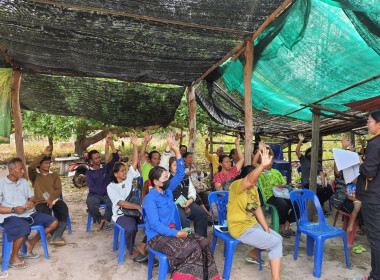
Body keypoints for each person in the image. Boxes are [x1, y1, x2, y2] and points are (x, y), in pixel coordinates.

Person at [143, 136, 220, 280]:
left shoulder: (167, 190)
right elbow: (155, 225)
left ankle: (210, 277)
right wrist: (177, 234)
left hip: (173, 231)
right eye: (164, 178)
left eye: (167, 177)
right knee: (193, 249)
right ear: (155, 182)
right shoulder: (150, 199)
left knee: (203, 242)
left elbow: (179, 173)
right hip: (158, 237)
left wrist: (176, 150)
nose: (168, 180)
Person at [227, 147, 282, 280]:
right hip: (239, 228)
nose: (254, 184)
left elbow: (257, 209)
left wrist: (266, 228)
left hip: (252, 225)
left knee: (278, 238)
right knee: (275, 243)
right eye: (253, 181)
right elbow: (249, 181)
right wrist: (262, 165)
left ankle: (253, 253)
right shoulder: (236, 186)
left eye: (256, 182)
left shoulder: (254, 188)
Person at [0, 158, 58, 269]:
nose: (23, 171)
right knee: (23, 226)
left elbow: (31, 196)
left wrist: (31, 201)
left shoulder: (24, 182)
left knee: (53, 222)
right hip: (10, 216)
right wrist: (13, 209)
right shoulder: (1, 184)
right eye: (21, 169)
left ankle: (31, 242)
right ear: (12, 170)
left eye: (23, 168)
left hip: (27, 214)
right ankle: (13, 256)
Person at [107, 134, 148, 263]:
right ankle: (131, 251)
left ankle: (143, 245)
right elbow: (121, 203)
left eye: (125, 170)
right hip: (121, 214)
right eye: (122, 171)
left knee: (155, 222)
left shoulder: (128, 179)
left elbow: (135, 163)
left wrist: (135, 145)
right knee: (131, 228)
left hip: (135, 211)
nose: (125, 173)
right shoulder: (111, 187)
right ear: (115, 174)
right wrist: (138, 207)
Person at [356, 109, 380, 280]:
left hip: (374, 197)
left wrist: (360, 163)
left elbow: (369, 173)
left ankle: (375, 276)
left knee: (376, 238)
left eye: (369, 121)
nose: (367, 124)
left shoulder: (375, 143)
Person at [28, 146, 69, 246]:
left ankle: (56, 235)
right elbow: (31, 167)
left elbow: (58, 189)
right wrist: (44, 154)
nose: (48, 165)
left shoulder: (54, 175)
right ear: (39, 165)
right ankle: (57, 235)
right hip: (40, 202)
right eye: (45, 163)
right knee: (46, 216)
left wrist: (51, 199)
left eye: (49, 163)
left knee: (63, 209)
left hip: (54, 200)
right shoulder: (35, 176)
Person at [257, 142, 297, 238]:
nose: (270, 162)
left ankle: (287, 224)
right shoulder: (260, 171)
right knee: (283, 206)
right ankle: (281, 226)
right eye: (268, 160)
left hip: (282, 193)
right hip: (270, 195)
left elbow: (284, 183)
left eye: (271, 161)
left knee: (297, 203)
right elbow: (254, 162)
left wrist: (282, 185)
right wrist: (260, 150)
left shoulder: (276, 171)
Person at [168, 156, 208, 237]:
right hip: (174, 205)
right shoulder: (167, 178)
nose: (178, 167)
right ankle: (188, 244)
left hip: (186, 202)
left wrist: (190, 200)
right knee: (184, 222)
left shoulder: (185, 177)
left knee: (202, 215)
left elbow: (192, 191)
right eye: (175, 165)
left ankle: (200, 239)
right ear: (169, 167)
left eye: (179, 166)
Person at [86, 137, 119, 231]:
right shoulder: (89, 173)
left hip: (106, 195)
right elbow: (92, 188)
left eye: (99, 157)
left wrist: (112, 145)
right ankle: (101, 222)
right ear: (91, 161)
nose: (99, 159)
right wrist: (107, 188)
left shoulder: (105, 167)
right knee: (91, 205)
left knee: (114, 204)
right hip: (94, 195)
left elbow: (116, 159)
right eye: (96, 158)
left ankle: (103, 220)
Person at [295, 133, 333, 214]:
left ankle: (318, 203)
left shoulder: (317, 163)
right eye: (311, 152)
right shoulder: (304, 160)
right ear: (308, 153)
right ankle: (320, 207)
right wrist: (300, 141)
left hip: (316, 182)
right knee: (320, 190)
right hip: (307, 182)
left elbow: (321, 172)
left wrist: (323, 180)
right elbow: (297, 151)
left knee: (329, 189)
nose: (313, 153)